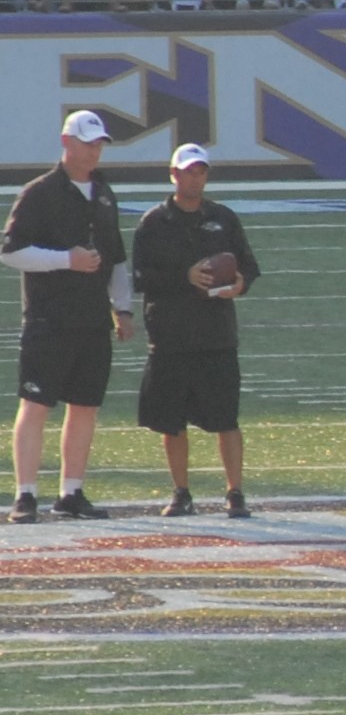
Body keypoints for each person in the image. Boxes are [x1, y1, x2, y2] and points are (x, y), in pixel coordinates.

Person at [8, 110, 133, 522]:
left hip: (92, 320)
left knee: (85, 406)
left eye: (99, 144)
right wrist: (67, 260)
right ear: (67, 142)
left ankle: (71, 491)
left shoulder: (104, 193)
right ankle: (25, 494)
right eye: (88, 143)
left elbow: (115, 258)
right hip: (48, 319)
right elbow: (10, 251)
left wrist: (123, 308)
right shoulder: (39, 192)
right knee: (36, 403)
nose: (95, 151)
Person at [128, 144, 264, 518]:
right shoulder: (154, 222)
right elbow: (140, 277)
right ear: (173, 174)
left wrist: (239, 282)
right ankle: (181, 491)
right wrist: (184, 277)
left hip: (215, 334)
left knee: (226, 419)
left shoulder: (224, 217)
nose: (195, 177)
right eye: (188, 171)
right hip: (170, 336)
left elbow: (249, 266)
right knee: (171, 422)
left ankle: (235, 492)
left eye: (201, 171)